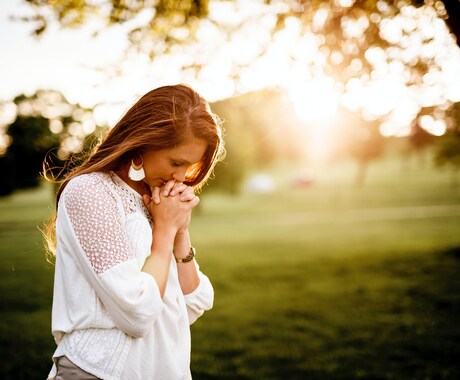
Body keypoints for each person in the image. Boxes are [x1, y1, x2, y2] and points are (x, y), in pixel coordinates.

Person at [44, 84, 225, 380]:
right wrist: (164, 231)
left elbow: (194, 301)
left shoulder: (156, 200)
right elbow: (138, 312)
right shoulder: (91, 193)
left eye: (189, 166)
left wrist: (180, 231)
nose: (181, 177)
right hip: (99, 372)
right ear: (143, 143)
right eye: (176, 162)